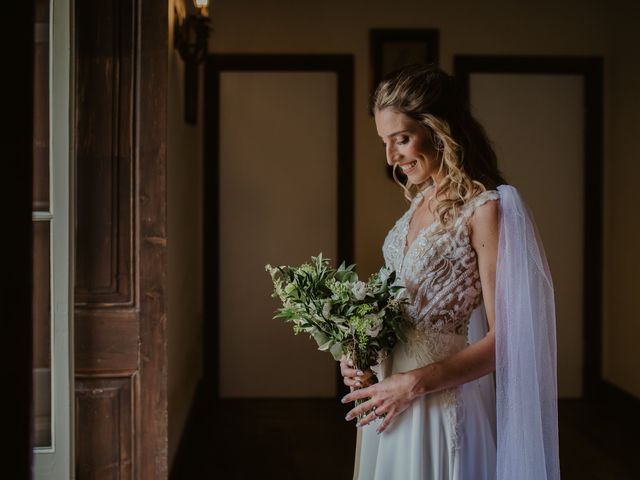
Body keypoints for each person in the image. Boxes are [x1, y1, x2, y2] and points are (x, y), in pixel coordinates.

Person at [340, 65, 560, 480]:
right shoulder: (420, 202)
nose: (391, 157)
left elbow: (507, 340)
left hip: (438, 404)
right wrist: (357, 351)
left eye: (401, 139)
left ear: (440, 130)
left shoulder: (486, 208)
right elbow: (397, 308)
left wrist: (414, 384)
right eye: (385, 142)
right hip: (387, 401)